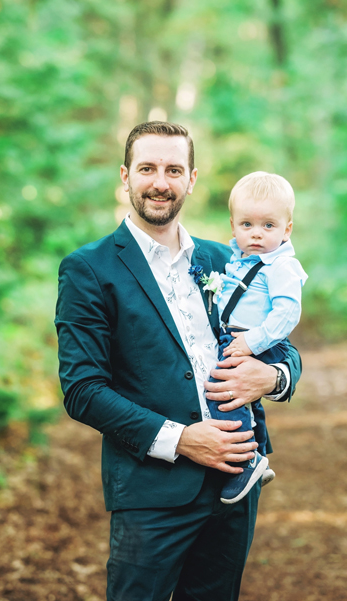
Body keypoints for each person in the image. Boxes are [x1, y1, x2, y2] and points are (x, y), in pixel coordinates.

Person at [55, 121, 302, 601]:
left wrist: (272, 377)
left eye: (173, 170)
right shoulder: (88, 270)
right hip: (151, 491)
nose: (160, 182)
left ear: (191, 179)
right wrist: (183, 440)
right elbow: (83, 390)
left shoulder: (226, 259)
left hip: (235, 484)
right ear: (126, 176)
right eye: (147, 168)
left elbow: (283, 345)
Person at [201, 171, 308, 505]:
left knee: (225, 392)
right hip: (238, 337)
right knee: (244, 400)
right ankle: (258, 453)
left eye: (268, 225)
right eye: (247, 224)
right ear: (233, 226)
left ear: (287, 229)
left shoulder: (281, 266)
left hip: (257, 340)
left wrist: (253, 343)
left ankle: (244, 461)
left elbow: (287, 313)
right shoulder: (238, 260)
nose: (257, 233)